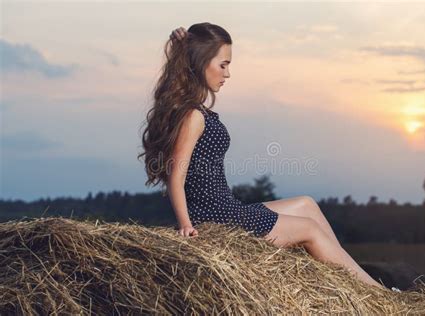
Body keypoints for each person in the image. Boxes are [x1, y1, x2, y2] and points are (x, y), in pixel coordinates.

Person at [138, 22, 392, 291]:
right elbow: (175, 177)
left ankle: (354, 280)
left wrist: (183, 46)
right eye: (223, 65)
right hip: (218, 218)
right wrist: (187, 227)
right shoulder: (193, 116)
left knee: (306, 204)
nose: (228, 73)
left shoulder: (196, 111)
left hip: (229, 209)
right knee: (309, 230)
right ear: (201, 62)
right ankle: (379, 295)